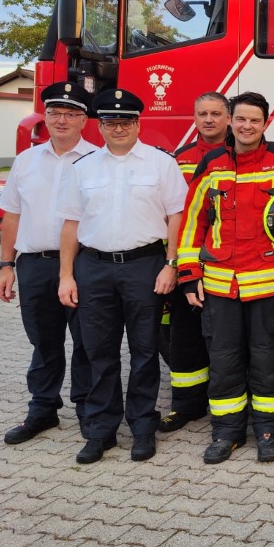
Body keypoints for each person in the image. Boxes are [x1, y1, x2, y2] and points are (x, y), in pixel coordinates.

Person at [177, 91, 274, 464]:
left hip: (270, 285)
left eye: (254, 120)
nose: (246, 126)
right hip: (219, 285)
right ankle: (226, 433)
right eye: (240, 119)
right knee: (224, 362)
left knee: (266, 363)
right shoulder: (211, 163)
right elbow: (194, 219)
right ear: (230, 120)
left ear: (266, 123)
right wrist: (188, 271)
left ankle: (267, 431)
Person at [56, 89, 187, 464]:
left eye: (125, 121)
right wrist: (66, 275)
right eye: (110, 122)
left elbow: (176, 215)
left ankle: (143, 428)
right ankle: (101, 431)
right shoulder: (82, 168)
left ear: (138, 123)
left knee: (145, 351)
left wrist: (171, 264)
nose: (117, 128)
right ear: (99, 126)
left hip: (145, 265)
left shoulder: (161, 165)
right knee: (99, 351)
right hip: (93, 267)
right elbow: (70, 223)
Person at [0, 82, 97, 446]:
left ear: (85, 120)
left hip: (83, 265)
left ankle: (88, 408)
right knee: (43, 341)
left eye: (71, 114)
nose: (62, 120)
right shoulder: (26, 161)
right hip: (34, 265)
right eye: (55, 112)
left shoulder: (96, 161)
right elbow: (11, 215)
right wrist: (6, 265)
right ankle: (42, 409)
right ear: (45, 117)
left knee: (87, 342)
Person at [162, 91, 230, 433]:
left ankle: (227, 402)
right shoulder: (181, 159)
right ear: (194, 117)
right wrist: (174, 263)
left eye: (216, 113)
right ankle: (186, 405)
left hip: (228, 264)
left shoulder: (243, 155)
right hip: (191, 260)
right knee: (184, 336)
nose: (209, 119)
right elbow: (174, 213)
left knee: (226, 340)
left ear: (228, 118)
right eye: (202, 113)